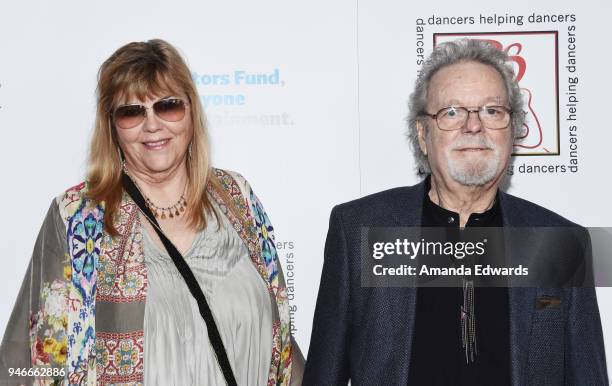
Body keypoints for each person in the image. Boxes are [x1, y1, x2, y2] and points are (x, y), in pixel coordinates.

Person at [303, 39, 607, 385]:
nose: (473, 126)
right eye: (451, 112)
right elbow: (324, 376)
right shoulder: (359, 230)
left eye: (492, 111)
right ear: (422, 134)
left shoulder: (561, 243)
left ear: (513, 133)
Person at [0, 39, 304, 386]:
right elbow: (34, 358)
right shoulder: (78, 218)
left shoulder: (238, 198)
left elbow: (283, 349)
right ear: (111, 124)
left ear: (191, 111)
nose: (152, 124)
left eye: (168, 106)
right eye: (131, 111)